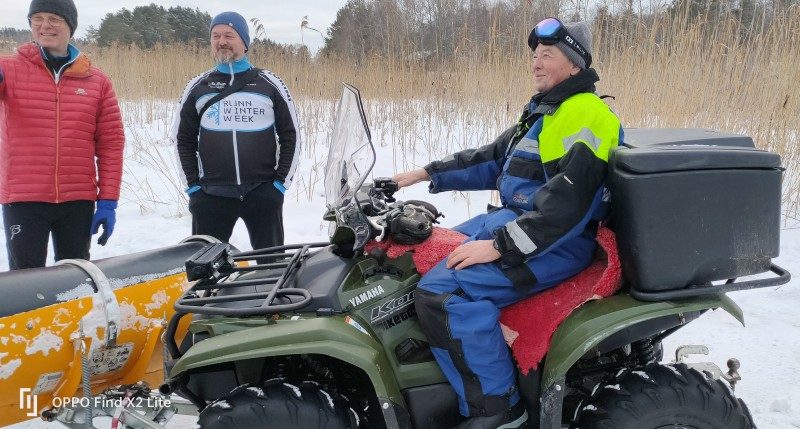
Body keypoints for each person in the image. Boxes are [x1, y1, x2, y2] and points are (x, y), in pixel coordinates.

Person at [394, 18, 623, 429]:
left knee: (443, 295)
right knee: (413, 254)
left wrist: (499, 247)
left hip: (555, 242)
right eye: (535, 54)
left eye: (547, 55)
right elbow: (493, 160)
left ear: (574, 65)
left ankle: (499, 408)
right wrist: (423, 174)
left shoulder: (588, 115)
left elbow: (566, 208)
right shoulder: (544, 111)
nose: (536, 62)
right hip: (515, 223)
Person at [0, 0, 125, 270]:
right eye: (37, 18)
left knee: (75, 281)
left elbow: (111, 144)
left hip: (77, 202)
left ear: (70, 25)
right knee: (26, 282)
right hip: (24, 200)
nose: (45, 26)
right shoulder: (7, 69)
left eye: (54, 18)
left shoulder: (96, 81)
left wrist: (108, 201)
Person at [173, 11, 300, 250]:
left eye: (229, 35)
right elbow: (182, 139)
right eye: (215, 36)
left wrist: (279, 184)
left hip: (262, 193)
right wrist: (193, 187)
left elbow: (291, 135)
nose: (222, 41)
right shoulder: (198, 86)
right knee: (207, 276)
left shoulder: (270, 83)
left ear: (244, 41)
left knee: (271, 268)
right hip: (211, 195)